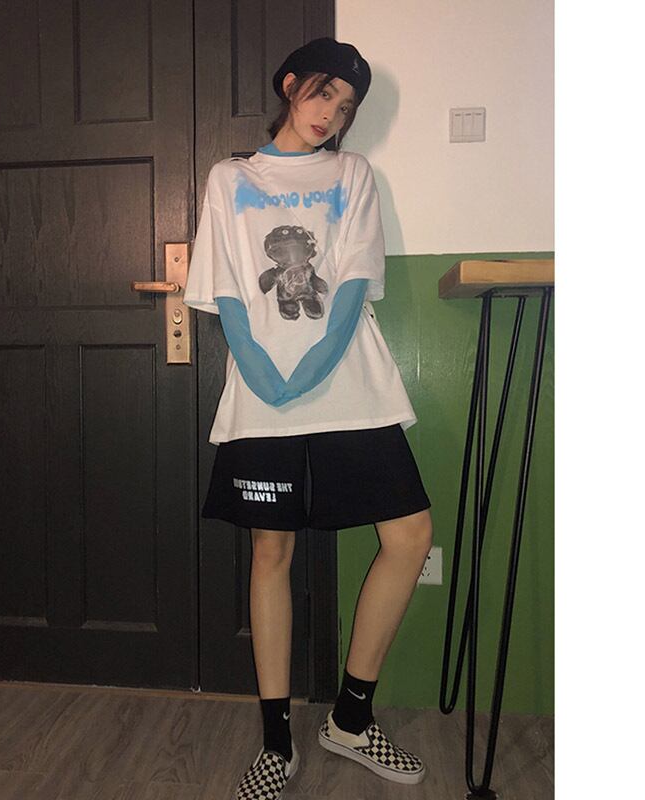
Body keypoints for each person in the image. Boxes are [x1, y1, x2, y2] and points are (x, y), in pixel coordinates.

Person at [183, 36, 432, 800]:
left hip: (351, 385)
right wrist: (263, 372)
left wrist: (315, 366)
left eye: (347, 107)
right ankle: (276, 742)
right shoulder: (231, 179)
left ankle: (350, 719)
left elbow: (353, 280)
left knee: (409, 535)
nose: (332, 114)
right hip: (264, 392)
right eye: (324, 93)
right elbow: (227, 285)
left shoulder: (353, 175)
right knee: (271, 553)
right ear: (291, 84)